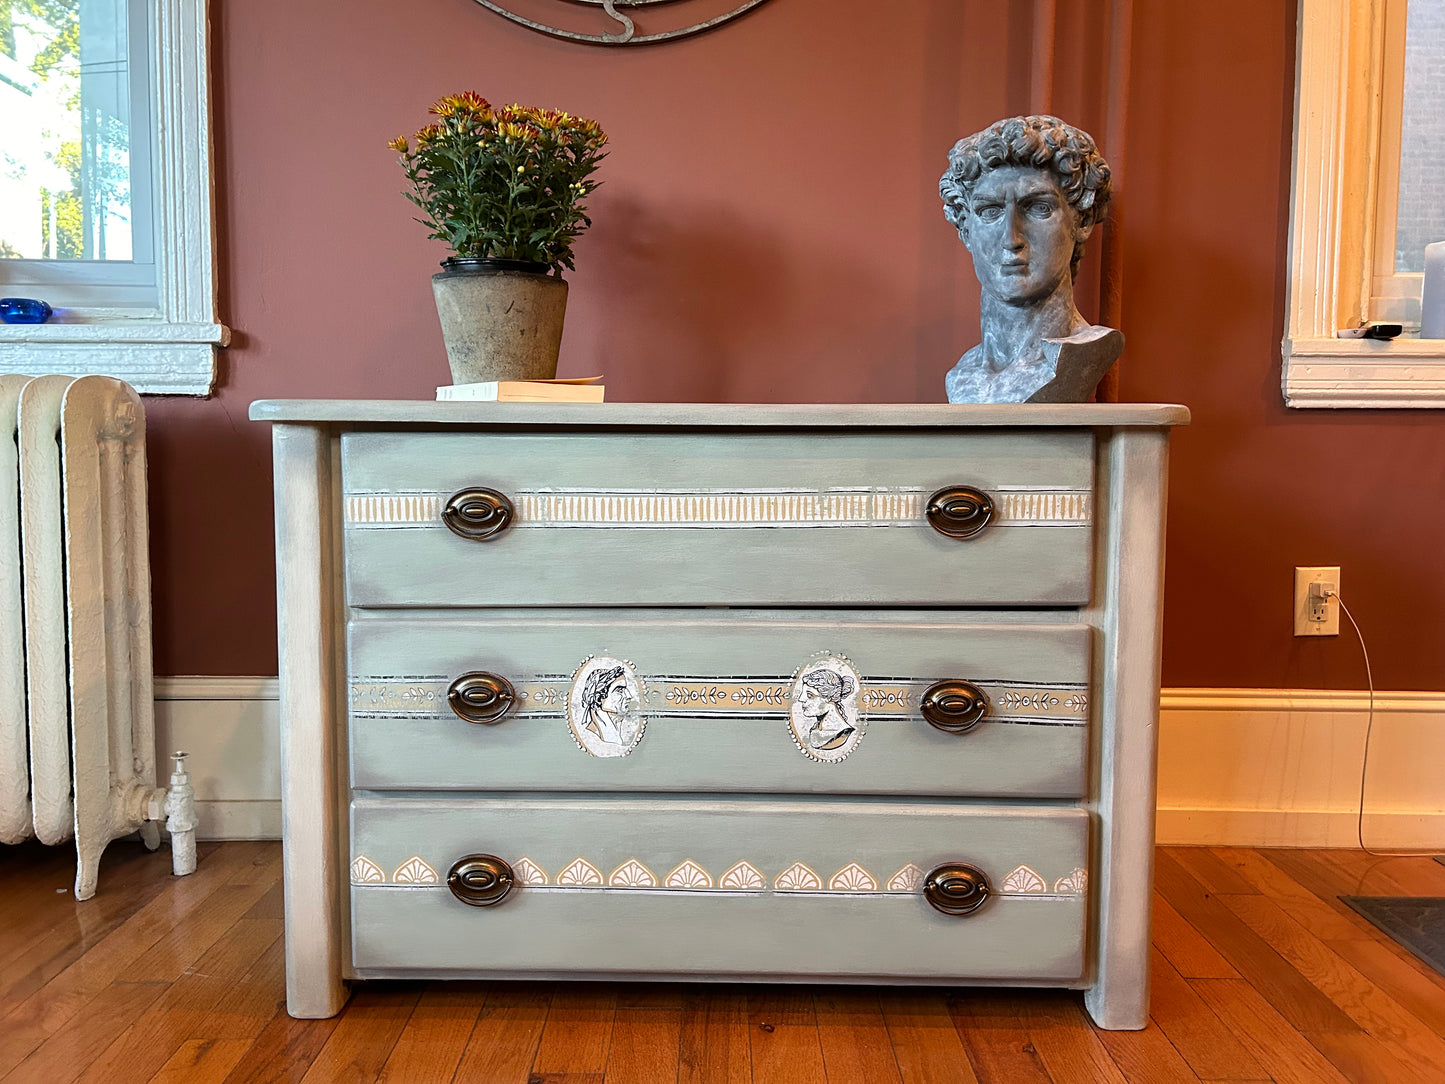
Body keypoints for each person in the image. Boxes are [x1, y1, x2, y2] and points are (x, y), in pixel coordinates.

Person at [940, 114, 1121, 403]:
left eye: (1038, 208)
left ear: (1082, 220)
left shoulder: (1083, 353)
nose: (1012, 239)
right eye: (990, 211)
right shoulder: (963, 375)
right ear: (965, 227)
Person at [796, 668, 856, 752]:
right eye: (803, 694)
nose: (801, 699)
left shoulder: (841, 732)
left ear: (829, 698)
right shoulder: (815, 729)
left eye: (810, 695)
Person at [578, 664, 637, 749]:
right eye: (619, 690)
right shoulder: (591, 736)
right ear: (599, 697)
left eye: (625, 689)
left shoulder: (621, 728)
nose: (628, 696)